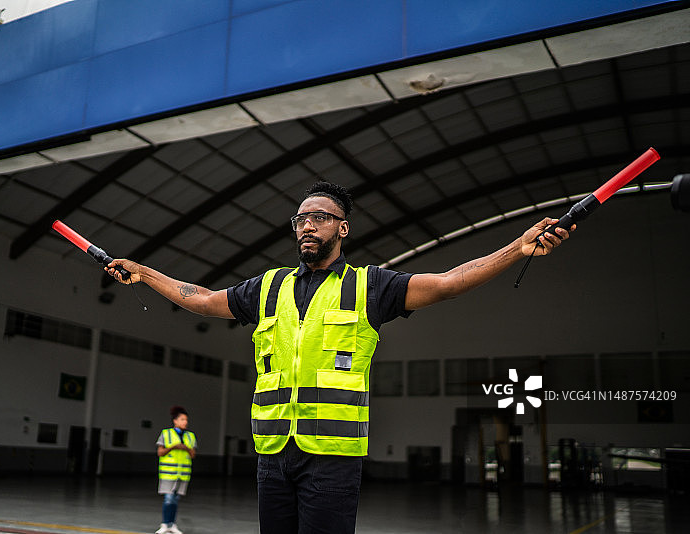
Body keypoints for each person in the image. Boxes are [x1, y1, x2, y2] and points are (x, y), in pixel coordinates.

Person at [106, 181, 573, 534]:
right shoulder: (268, 287)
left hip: (332, 457)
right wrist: (144, 272)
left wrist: (518, 247)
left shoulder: (369, 286)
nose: (307, 224)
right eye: (300, 219)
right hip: (273, 455)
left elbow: (449, 282)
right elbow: (204, 299)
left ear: (342, 228)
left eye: (320, 217)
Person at [155, 405, 197, 534]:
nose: (185, 422)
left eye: (186, 420)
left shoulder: (190, 436)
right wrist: (173, 447)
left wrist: (186, 448)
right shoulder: (166, 433)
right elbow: (160, 452)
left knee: (175, 500)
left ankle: (171, 524)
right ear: (175, 421)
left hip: (182, 475)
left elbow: (193, 455)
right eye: (183, 420)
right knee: (168, 499)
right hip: (168, 474)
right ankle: (165, 524)